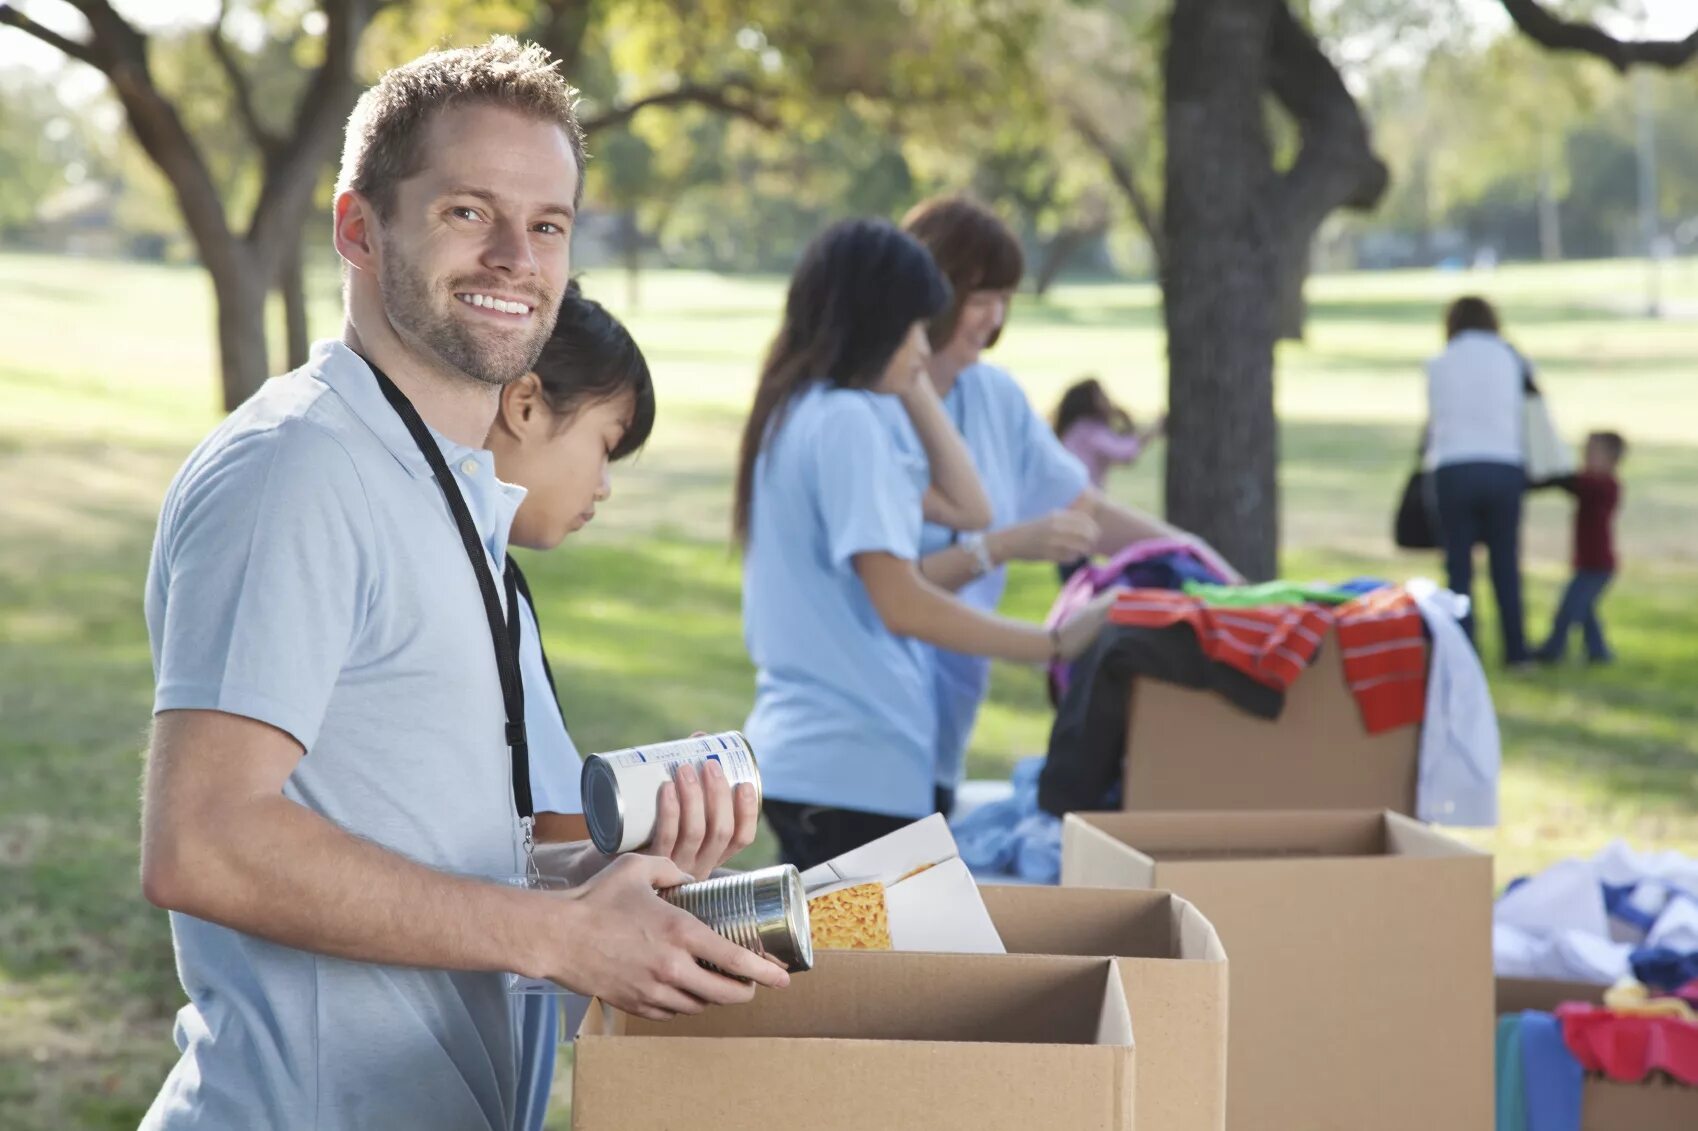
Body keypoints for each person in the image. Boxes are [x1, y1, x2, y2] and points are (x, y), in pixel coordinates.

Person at [139, 40, 784, 1131]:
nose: (514, 259)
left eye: (546, 225)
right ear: (358, 227)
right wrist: (561, 937)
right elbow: (204, 841)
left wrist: (611, 874)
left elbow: (431, 832)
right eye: (465, 213)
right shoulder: (299, 469)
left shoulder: (448, 485)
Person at [733, 218, 1121, 871]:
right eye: (914, 327)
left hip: (826, 766)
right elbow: (903, 602)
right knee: (882, 976)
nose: (925, 345)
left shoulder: (802, 408)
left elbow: (974, 509)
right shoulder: (848, 423)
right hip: (853, 769)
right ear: (876, 321)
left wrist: (909, 379)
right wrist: (1054, 643)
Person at [484, 282, 758, 1131]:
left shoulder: (501, 585)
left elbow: (521, 835)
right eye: (605, 445)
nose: (603, 485)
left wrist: (644, 855)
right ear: (527, 403)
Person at [897, 194, 1237, 799]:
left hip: (945, 720)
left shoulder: (994, 396)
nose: (995, 319)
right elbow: (887, 590)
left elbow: (1087, 510)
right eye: (981, 299)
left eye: (1004, 300)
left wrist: (1199, 559)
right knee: (857, 894)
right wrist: (1002, 547)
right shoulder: (865, 413)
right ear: (931, 290)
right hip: (871, 728)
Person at [1425, 295, 1531, 665]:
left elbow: (1436, 418)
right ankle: (1516, 649)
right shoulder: (1510, 357)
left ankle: (1464, 646)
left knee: (1458, 564)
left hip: (1454, 467)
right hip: (1504, 465)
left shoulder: (1440, 362)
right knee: (1505, 561)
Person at [1536, 431, 1626, 666]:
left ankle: (1554, 649)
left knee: (1570, 609)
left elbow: (1573, 483)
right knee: (1586, 610)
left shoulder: (1606, 487)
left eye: (1593, 453)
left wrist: (1548, 474)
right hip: (1587, 563)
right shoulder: (1590, 483)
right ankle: (1599, 652)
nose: (1585, 458)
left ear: (1612, 460)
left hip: (1597, 565)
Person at [1054, 376, 1164, 491]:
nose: (1108, 400)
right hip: (1080, 499)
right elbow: (1125, 452)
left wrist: (1126, 421)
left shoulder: (1077, 428)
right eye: (1102, 396)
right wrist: (1155, 429)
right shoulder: (1088, 430)